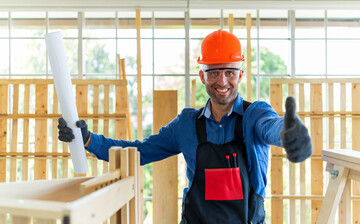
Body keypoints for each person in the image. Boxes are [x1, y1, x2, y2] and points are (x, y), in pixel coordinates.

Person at [58, 29, 312, 224]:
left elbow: (273, 127)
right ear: (202, 75)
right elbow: (140, 151)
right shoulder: (187, 124)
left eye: (230, 72)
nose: (222, 81)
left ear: (240, 75)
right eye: (213, 72)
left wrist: (291, 135)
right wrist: (88, 139)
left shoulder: (255, 116)